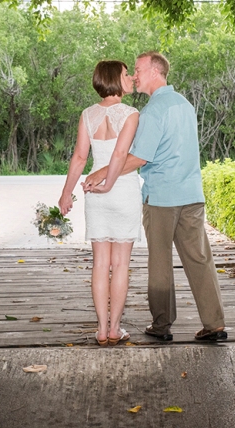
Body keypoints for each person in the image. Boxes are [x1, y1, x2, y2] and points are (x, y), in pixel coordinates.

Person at [84, 51, 227, 342]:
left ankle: (162, 326)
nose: (134, 76)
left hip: (162, 197)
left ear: (154, 72)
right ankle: (215, 324)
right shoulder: (185, 105)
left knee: (160, 261)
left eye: (137, 70)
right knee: (199, 259)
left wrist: (101, 173)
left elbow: (139, 158)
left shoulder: (153, 111)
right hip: (192, 194)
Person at [59, 60, 141, 347]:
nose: (130, 77)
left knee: (99, 264)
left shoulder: (88, 115)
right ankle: (116, 329)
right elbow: (120, 154)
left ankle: (102, 329)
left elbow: (80, 158)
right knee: (120, 265)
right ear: (114, 79)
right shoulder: (130, 114)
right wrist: (108, 182)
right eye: (125, 73)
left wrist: (66, 193)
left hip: (95, 193)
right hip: (121, 189)